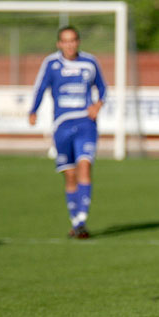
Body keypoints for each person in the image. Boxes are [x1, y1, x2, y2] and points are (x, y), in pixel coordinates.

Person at [29, 26, 107, 239]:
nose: (70, 44)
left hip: (85, 123)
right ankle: (75, 221)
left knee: (85, 166)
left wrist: (97, 105)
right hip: (61, 126)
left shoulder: (90, 62)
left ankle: (81, 221)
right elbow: (41, 87)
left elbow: (103, 88)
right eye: (65, 41)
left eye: (73, 40)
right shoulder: (52, 64)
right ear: (59, 44)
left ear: (78, 41)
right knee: (70, 175)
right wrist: (33, 110)